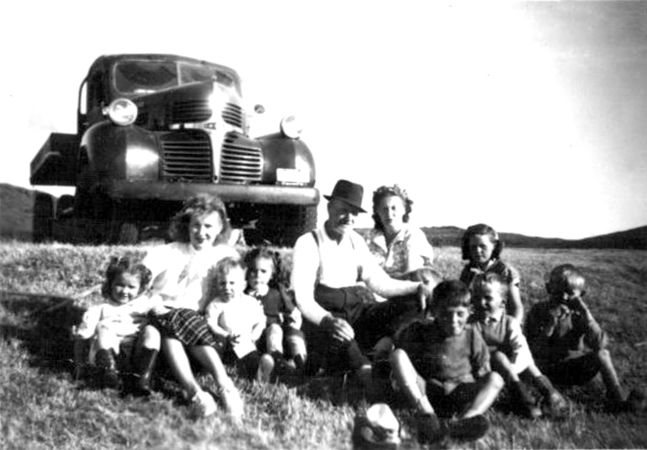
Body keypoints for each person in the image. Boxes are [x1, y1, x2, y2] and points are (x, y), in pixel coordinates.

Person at [291, 179, 436, 388]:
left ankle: (387, 353)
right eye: (343, 210)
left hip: (357, 312)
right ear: (330, 208)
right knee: (357, 363)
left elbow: (380, 283)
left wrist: (417, 288)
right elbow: (303, 299)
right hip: (325, 317)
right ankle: (364, 369)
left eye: (354, 213)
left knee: (413, 302)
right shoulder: (307, 242)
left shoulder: (355, 240)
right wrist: (327, 321)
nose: (349, 218)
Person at [143, 194, 244, 420]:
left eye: (208, 226)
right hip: (162, 314)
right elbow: (141, 284)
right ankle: (209, 390)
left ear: (220, 228)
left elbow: (236, 290)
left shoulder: (226, 255)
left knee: (177, 324)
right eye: (195, 225)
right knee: (172, 322)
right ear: (186, 225)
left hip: (200, 324)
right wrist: (156, 305)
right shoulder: (168, 251)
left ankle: (209, 390)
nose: (201, 232)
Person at [390, 280, 503, 444]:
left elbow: (483, 370)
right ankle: (428, 416)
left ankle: (466, 420)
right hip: (428, 392)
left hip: (460, 392)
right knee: (398, 355)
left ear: (469, 312)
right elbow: (403, 361)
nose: (453, 320)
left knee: (495, 379)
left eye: (460, 314)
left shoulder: (472, 335)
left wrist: (476, 391)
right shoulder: (420, 331)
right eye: (445, 313)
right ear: (434, 311)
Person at [525, 264, 642, 413]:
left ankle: (616, 397)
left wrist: (587, 315)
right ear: (549, 288)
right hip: (547, 371)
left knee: (603, 354)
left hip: (575, 369)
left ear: (581, 294)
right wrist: (550, 326)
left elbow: (600, 344)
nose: (564, 297)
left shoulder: (579, 314)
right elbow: (532, 350)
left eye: (570, 293)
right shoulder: (538, 311)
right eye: (558, 292)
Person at [470, 273, 568, 418]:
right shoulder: (471, 323)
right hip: (486, 367)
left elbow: (520, 348)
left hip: (512, 366)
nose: (481, 302)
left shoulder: (509, 322)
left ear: (502, 302)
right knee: (499, 356)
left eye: (487, 298)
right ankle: (522, 397)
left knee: (527, 361)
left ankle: (550, 393)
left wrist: (512, 367)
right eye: (476, 297)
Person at [72, 256, 158, 392]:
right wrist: (79, 366)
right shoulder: (101, 308)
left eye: (131, 287)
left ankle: (143, 378)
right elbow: (82, 337)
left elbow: (160, 313)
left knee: (152, 331)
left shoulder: (144, 306)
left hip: (134, 356)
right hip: (105, 355)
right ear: (110, 284)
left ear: (140, 289)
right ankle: (110, 375)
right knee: (103, 327)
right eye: (120, 285)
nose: (125, 291)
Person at [205, 257, 272, 381]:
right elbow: (211, 323)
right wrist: (225, 335)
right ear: (217, 285)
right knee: (227, 353)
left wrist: (254, 335)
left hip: (247, 342)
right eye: (222, 283)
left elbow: (261, 321)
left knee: (250, 354)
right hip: (225, 344)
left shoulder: (250, 302)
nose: (227, 287)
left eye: (232, 283)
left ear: (243, 285)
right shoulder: (216, 304)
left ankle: (259, 370)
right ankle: (253, 370)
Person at [244, 247, 307, 373]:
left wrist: (294, 322)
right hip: (256, 336)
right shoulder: (243, 294)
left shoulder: (276, 292)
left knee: (292, 335)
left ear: (272, 274)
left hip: (278, 334)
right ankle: (277, 360)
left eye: (263, 271)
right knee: (274, 329)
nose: (258, 276)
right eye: (253, 271)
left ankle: (301, 360)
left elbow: (293, 312)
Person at [364, 185, 434, 279]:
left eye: (394, 208)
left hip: (409, 285)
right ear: (377, 211)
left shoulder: (414, 235)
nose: (389, 214)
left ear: (404, 210)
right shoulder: (369, 238)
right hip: (374, 286)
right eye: (384, 209)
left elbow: (412, 274)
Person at [459, 223, 524, 323]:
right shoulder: (468, 271)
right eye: (473, 247)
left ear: (494, 247)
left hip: (498, 324)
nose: (478, 251)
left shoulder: (506, 271)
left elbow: (516, 308)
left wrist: (512, 328)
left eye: (482, 246)